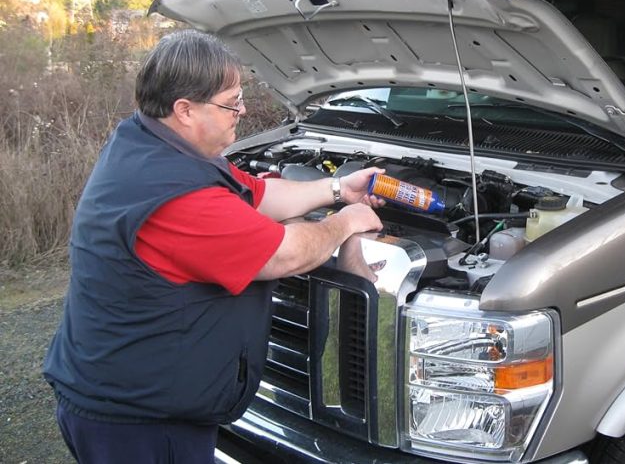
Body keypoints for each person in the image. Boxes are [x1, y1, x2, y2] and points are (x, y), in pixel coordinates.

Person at [43, 29, 384, 464]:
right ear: (184, 110)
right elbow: (284, 254)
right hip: (139, 422)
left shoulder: (156, 145)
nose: (240, 111)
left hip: (140, 396)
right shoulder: (172, 196)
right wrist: (346, 222)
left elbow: (259, 195)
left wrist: (339, 188)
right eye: (231, 102)